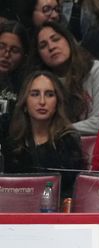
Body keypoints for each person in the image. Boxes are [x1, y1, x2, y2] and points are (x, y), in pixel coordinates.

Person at [2, 70, 85, 200]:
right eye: (35, 94)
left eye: (49, 94)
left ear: (57, 102)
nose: (42, 101)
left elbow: (73, 192)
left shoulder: (69, 142)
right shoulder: (7, 136)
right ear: (24, 101)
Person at [32, 21, 99, 134]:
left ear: (69, 40)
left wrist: (60, 130)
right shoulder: (40, 83)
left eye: (56, 39)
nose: (51, 47)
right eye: (43, 45)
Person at [0, 21, 29, 121]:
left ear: (23, 57)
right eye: (1, 47)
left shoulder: (26, 87)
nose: (6, 54)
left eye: (14, 50)